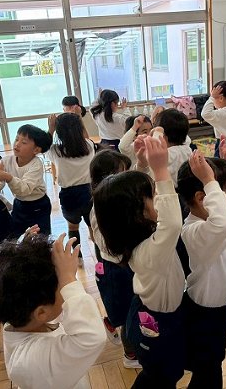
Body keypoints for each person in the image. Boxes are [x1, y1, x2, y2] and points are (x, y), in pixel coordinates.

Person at [93, 136, 185, 387]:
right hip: (157, 322)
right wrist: (161, 170)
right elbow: (172, 223)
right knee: (163, 375)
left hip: (147, 312)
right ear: (138, 213)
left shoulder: (133, 235)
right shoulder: (150, 250)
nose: (159, 198)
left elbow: (132, 197)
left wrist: (143, 165)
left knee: (158, 373)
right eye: (153, 196)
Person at [0, 234, 106, 389]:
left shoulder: (18, 313)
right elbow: (92, 337)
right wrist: (68, 279)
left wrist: (22, 250)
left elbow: (12, 278)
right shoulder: (31, 361)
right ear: (41, 313)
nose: (65, 288)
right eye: (62, 286)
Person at [176, 139, 226, 388]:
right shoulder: (195, 230)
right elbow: (223, 223)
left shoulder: (217, 218)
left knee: (211, 363)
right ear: (201, 198)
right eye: (224, 192)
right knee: (209, 369)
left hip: (220, 309)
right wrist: (208, 180)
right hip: (203, 314)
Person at [89, 149, 139, 368]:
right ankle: (130, 355)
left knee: (126, 306)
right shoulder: (100, 208)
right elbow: (106, 245)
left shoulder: (115, 199)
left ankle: (111, 321)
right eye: (122, 174)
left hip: (121, 265)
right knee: (128, 312)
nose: (126, 178)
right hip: (117, 267)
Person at [47, 113, 95, 266]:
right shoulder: (89, 146)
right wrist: (80, 119)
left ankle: (78, 258)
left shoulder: (56, 151)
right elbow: (86, 137)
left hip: (69, 195)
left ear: (59, 132)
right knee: (93, 226)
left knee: (73, 227)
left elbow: (45, 146)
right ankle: (100, 259)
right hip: (89, 192)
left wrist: (50, 128)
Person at [0, 124, 52, 237]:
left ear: (36, 150)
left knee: (40, 238)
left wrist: (7, 176)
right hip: (19, 204)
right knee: (17, 235)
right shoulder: (6, 161)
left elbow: (24, 189)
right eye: (16, 139)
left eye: (24, 142)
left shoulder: (36, 164)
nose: (17, 144)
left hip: (38, 205)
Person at [151, 108, 192, 187]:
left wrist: (158, 131)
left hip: (170, 190)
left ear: (163, 136)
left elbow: (154, 146)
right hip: (187, 189)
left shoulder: (166, 154)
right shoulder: (187, 149)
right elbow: (178, 127)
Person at [201, 81, 226, 157]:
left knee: (221, 164)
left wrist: (211, 97)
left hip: (225, 144)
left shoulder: (221, 114)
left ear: (221, 98)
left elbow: (205, 114)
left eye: (214, 98)